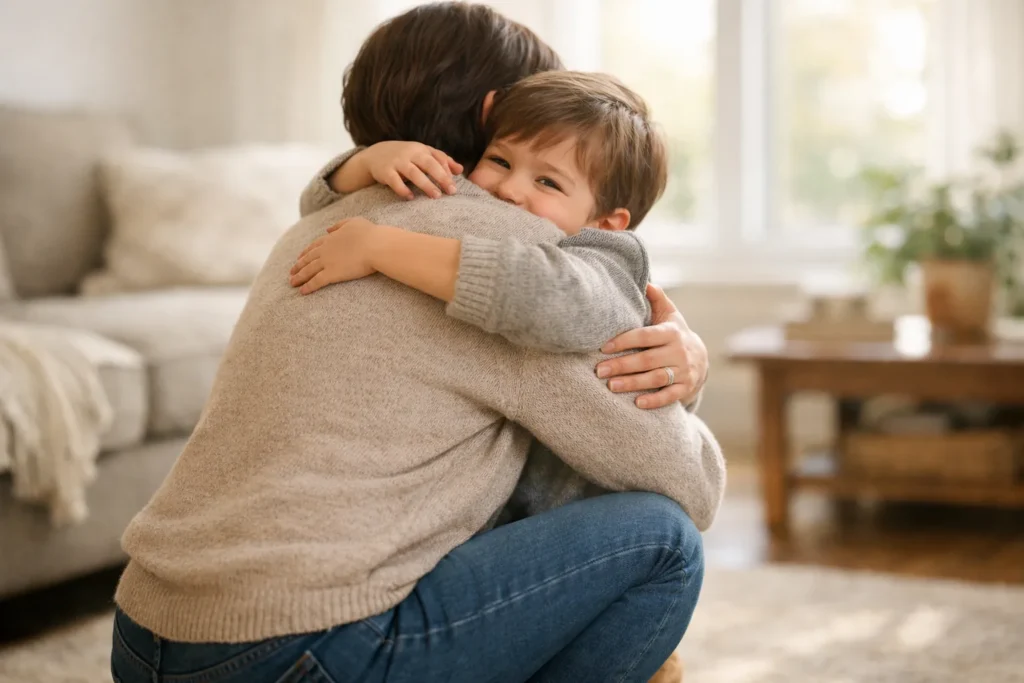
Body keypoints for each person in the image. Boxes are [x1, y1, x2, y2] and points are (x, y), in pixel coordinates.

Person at [110, 5, 724, 683]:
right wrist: (684, 372)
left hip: (145, 633)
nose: (519, 190)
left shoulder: (320, 223)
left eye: (547, 179)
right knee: (664, 540)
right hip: (289, 650)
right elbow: (687, 481)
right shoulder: (519, 256)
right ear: (496, 110)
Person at [289, 70, 708, 528]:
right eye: (500, 161)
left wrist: (380, 248)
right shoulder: (474, 213)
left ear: (607, 222)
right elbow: (315, 204)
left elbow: (549, 296)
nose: (510, 190)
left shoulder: (610, 260)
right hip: (490, 511)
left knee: (669, 541)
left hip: (576, 518)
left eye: (547, 183)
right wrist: (370, 160)